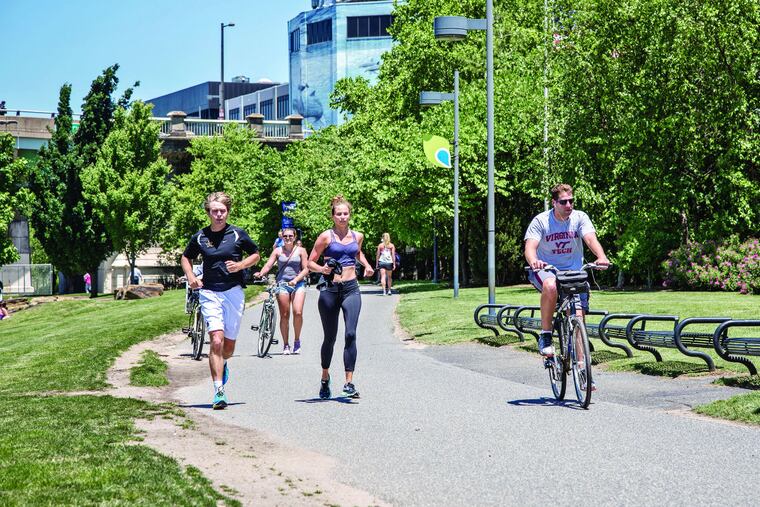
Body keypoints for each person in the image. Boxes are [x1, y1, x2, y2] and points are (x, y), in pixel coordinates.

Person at [181, 192, 260, 410]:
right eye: (214, 211)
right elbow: (186, 257)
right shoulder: (200, 237)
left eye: (222, 211)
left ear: (227, 212)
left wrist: (241, 265)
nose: (218, 215)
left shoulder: (237, 233)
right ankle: (218, 391)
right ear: (208, 212)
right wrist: (191, 276)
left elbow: (255, 254)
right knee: (216, 339)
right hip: (209, 292)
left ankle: (223, 364)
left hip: (233, 292)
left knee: (228, 348)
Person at [524, 183, 610, 359]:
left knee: (578, 317)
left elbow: (590, 238)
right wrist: (534, 262)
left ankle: (582, 369)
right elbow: (530, 247)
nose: (569, 205)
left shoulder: (580, 217)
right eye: (563, 202)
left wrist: (601, 257)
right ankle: (546, 335)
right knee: (550, 285)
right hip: (547, 270)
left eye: (571, 201)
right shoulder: (541, 221)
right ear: (554, 203)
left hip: (573, 273)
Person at [307, 195, 375, 399]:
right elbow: (310, 262)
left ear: (350, 215)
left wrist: (368, 265)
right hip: (330, 289)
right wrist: (323, 269)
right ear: (333, 216)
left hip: (351, 288)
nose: (343, 217)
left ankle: (349, 382)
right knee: (330, 338)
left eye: (346, 214)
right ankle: (325, 377)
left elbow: (357, 253)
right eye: (339, 214)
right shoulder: (326, 237)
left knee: (351, 334)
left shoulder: (358, 236)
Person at [254, 227, 309, 355]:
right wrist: (261, 273)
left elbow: (306, 269)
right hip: (282, 284)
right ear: (282, 237)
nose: (288, 238)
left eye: (290, 236)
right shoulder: (278, 251)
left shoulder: (301, 251)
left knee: (298, 312)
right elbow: (268, 265)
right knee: (285, 315)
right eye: (285, 236)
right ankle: (285, 344)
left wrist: (296, 280)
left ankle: (296, 340)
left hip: (298, 283)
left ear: (295, 237)